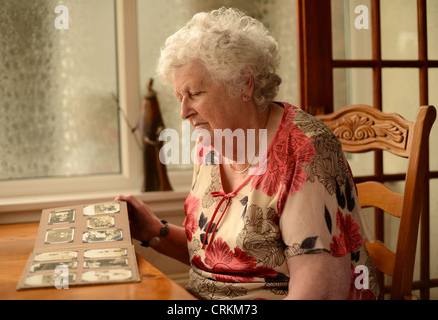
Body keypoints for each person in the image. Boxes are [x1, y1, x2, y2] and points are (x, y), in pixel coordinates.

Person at [116, 7, 379, 300]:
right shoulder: (211, 145)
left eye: (196, 94)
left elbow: (318, 292)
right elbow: (219, 261)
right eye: (180, 97)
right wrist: (154, 230)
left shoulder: (305, 151)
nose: (183, 113)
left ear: (244, 84)